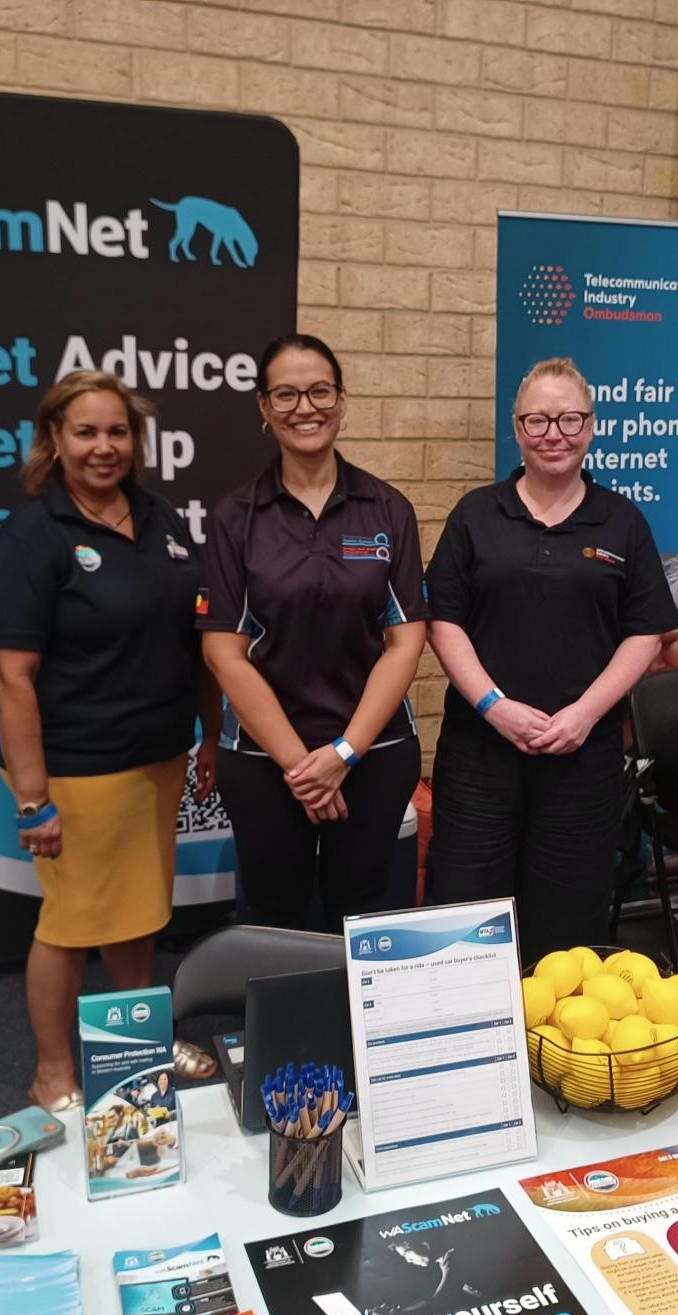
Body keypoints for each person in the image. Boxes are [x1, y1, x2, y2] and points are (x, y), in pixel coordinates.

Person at [0, 370, 221, 1113]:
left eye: (117, 431)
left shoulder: (160, 518)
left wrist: (209, 737)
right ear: (55, 439)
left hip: (157, 759)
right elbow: (10, 676)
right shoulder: (32, 536)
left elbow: (196, 637)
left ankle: (138, 1045)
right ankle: (53, 1072)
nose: (103, 446)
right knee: (72, 923)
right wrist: (33, 800)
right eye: (85, 432)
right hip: (76, 771)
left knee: (138, 912)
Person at [426, 358, 677, 963]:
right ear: (517, 430)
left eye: (569, 419)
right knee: (466, 921)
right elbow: (442, 621)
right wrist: (495, 707)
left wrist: (585, 715)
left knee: (564, 932)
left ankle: (550, 1029)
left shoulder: (622, 521)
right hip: (480, 755)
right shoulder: (475, 515)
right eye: (537, 420)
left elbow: (646, 634)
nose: (554, 434)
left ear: (591, 427)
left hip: (582, 760)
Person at [200, 335, 426, 928]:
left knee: (363, 914)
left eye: (320, 391)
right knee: (275, 918)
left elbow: (405, 643)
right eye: (287, 394)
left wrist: (344, 753)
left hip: (374, 754)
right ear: (264, 406)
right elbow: (224, 653)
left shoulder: (387, 508)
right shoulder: (234, 517)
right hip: (264, 760)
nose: (306, 407)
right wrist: (305, 768)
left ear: (342, 400)